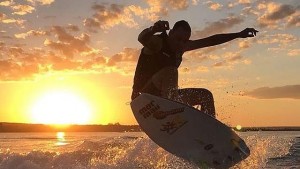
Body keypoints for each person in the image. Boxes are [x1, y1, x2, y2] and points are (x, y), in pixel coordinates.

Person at [131, 20, 258, 118]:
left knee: (205, 96)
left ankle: (208, 129)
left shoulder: (183, 46)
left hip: (165, 97)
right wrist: (153, 29)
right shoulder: (157, 42)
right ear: (171, 33)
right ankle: (172, 113)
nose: (180, 44)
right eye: (178, 39)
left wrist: (238, 34)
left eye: (184, 41)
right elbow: (141, 38)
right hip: (143, 98)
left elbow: (211, 40)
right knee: (171, 71)